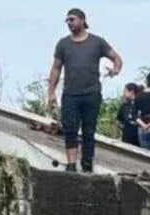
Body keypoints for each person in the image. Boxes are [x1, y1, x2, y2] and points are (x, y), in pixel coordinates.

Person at [48, 8, 123, 173]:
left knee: (89, 130)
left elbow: (116, 58)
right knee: (70, 129)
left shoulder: (97, 42)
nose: (69, 23)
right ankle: (71, 164)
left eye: (72, 19)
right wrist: (51, 92)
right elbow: (55, 68)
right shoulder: (63, 44)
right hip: (70, 94)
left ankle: (87, 162)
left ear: (82, 20)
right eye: (67, 20)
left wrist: (115, 69)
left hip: (91, 93)